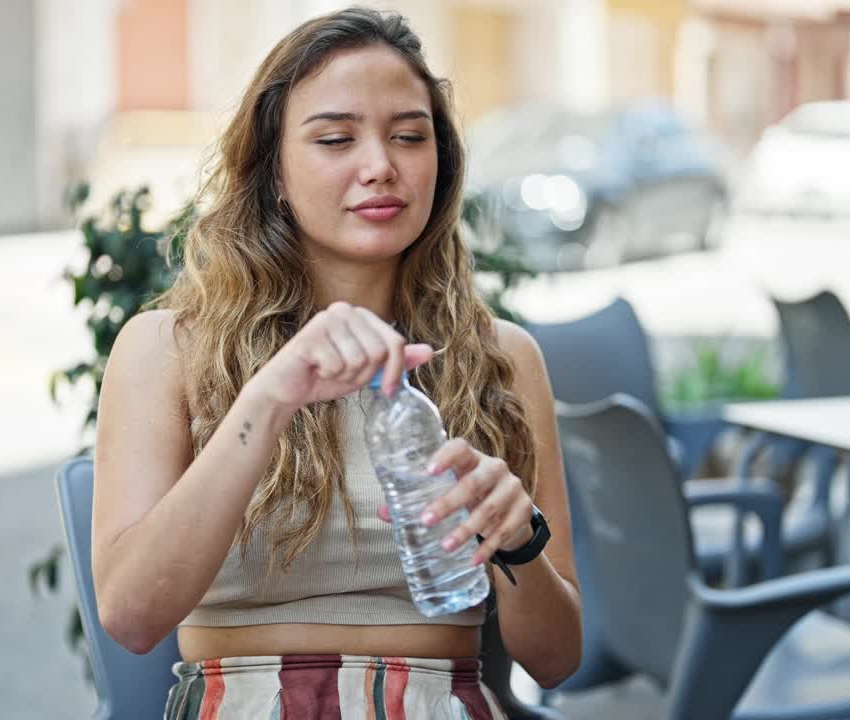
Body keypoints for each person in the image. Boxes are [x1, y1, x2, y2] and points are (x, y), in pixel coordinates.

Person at [92, 7, 581, 718]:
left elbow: (558, 659)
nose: (380, 166)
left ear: (439, 165)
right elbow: (132, 616)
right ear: (276, 173)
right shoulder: (168, 348)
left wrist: (519, 542)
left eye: (410, 136)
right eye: (335, 139)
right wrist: (268, 398)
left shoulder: (500, 358)